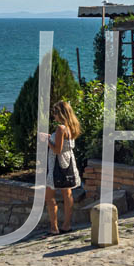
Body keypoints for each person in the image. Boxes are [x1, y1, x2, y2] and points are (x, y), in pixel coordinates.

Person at [41, 100, 82, 235]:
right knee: (67, 194)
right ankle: (67, 225)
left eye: (55, 113)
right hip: (68, 163)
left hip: (56, 166)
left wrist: (47, 141)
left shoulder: (60, 128)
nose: (54, 116)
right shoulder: (72, 127)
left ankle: (54, 228)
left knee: (49, 196)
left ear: (60, 113)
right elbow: (63, 146)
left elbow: (57, 150)